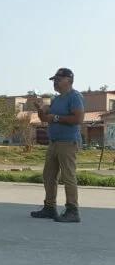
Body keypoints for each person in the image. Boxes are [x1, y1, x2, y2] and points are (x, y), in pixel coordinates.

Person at [32, 67, 84, 223]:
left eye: (59, 79)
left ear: (69, 80)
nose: (55, 82)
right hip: (54, 142)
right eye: (54, 80)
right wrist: (41, 110)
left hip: (68, 143)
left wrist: (55, 118)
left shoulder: (75, 97)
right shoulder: (57, 99)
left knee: (68, 176)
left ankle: (72, 211)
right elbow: (45, 118)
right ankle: (49, 207)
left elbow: (78, 119)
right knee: (49, 175)